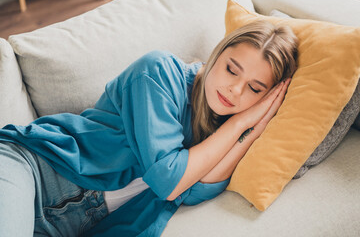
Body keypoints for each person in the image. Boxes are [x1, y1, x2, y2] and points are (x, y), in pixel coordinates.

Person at [0, 20, 298, 237]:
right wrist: (242, 122)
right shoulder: (159, 72)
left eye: (254, 89)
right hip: (32, 169)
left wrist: (250, 129)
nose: (234, 90)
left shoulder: (216, 127)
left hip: (68, 225)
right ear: (218, 54)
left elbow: (191, 191)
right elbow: (169, 181)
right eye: (232, 69)